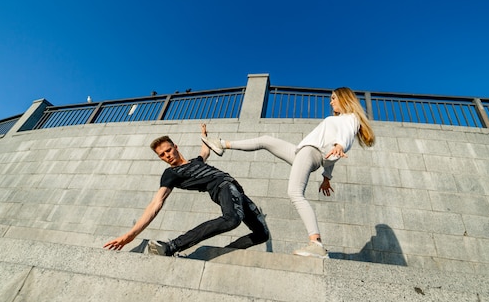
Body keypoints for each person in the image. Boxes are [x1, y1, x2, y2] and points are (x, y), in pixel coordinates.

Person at [202, 87, 375, 258]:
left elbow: (343, 137)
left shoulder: (350, 118)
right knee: (266, 140)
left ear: (344, 99)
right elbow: (330, 151)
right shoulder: (338, 121)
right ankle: (221, 143)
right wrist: (326, 177)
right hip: (302, 153)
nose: (331, 102)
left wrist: (340, 146)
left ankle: (316, 244)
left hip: (310, 153)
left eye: (333, 98)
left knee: (295, 193)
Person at [103, 124, 269, 256]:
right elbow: (156, 202)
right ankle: (172, 246)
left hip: (238, 192)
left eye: (168, 150)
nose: (167, 155)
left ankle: (226, 252)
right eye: (162, 155)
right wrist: (131, 234)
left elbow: (205, 151)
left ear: (175, 147)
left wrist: (204, 135)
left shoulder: (196, 161)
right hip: (222, 187)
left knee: (262, 234)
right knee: (232, 219)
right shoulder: (171, 174)